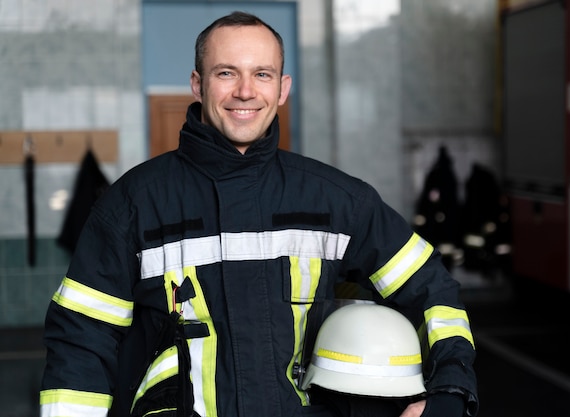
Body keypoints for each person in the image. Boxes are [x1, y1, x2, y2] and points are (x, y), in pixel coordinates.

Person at [39, 11, 478, 417]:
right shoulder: (132, 205)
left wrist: (448, 396)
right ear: (197, 84)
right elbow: (81, 341)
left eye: (261, 74)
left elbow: (432, 291)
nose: (245, 91)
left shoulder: (339, 201)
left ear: (282, 88)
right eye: (226, 73)